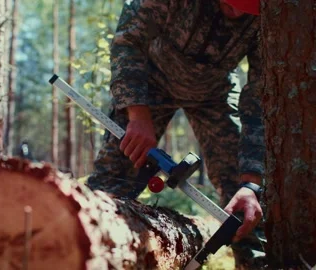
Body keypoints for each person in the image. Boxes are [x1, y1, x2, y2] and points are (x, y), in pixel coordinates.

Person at [86, 0, 266, 269]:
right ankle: (86, 250)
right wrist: (137, 113)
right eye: (232, 4)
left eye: (248, 9)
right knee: (112, 180)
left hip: (215, 93)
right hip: (150, 85)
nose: (238, 14)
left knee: (245, 206)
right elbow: (128, 40)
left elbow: (259, 96)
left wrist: (250, 183)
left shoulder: (271, 17)